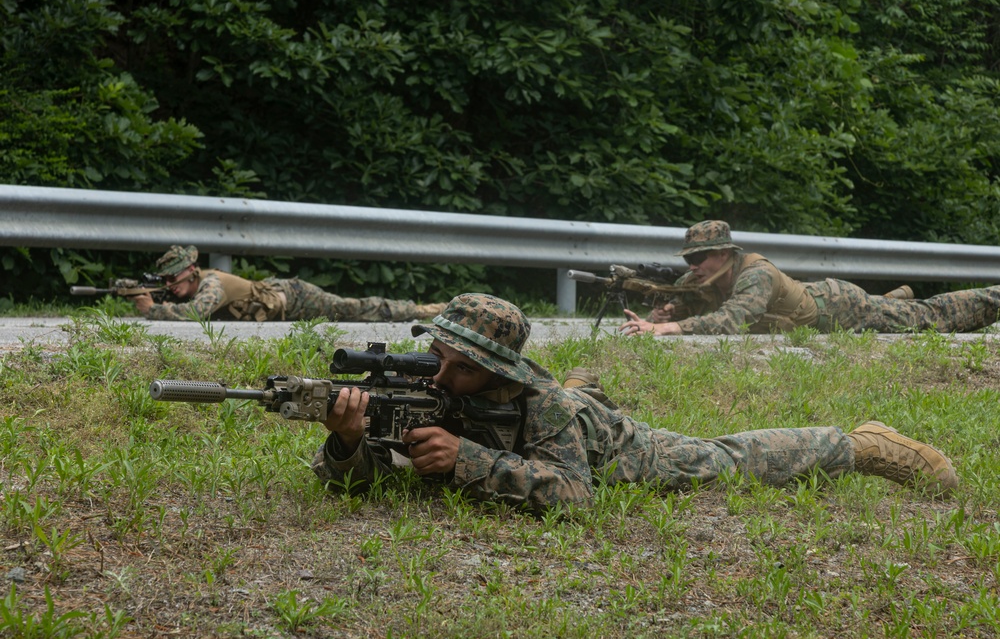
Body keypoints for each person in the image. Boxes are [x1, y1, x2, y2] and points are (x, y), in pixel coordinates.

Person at [310, 293, 958, 513]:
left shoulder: (545, 407)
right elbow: (360, 481)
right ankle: (589, 382)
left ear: (494, 370)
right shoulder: (433, 385)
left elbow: (576, 496)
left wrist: (466, 459)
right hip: (554, 417)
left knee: (721, 458)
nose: (439, 372)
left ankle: (861, 442)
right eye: (437, 356)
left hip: (616, 446)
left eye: (458, 364)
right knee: (575, 393)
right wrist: (346, 441)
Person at [618, 220, 1000, 336]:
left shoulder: (756, 274)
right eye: (690, 259)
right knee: (899, 307)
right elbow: (680, 303)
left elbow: (734, 320)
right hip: (820, 305)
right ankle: (892, 298)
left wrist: (671, 330)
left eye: (699, 258)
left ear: (724, 255)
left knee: (929, 317)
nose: (693, 266)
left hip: (839, 308)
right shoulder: (699, 280)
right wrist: (658, 317)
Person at [130, 245, 445, 322]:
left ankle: (421, 310)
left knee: (353, 309)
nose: (170, 285)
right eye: (165, 280)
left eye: (174, 278)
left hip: (295, 297)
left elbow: (197, 313)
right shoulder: (200, 282)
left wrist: (154, 310)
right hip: (280, 300)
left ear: (192, 270)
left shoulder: (211, 283)